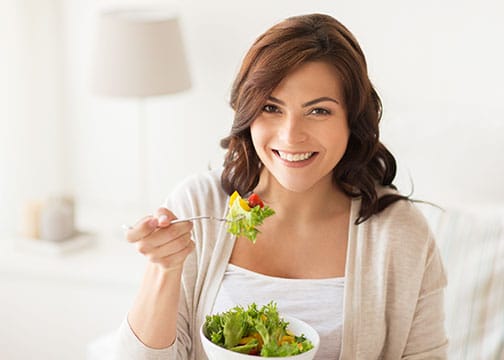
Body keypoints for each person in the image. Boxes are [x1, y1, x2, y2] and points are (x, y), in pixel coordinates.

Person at [114, 13, 448, 359]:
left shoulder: (400, 233)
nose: (291, 136)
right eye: (271, 107)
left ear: (353, 120)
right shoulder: (198, 205)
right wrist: (164, 269)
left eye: (318, 111)